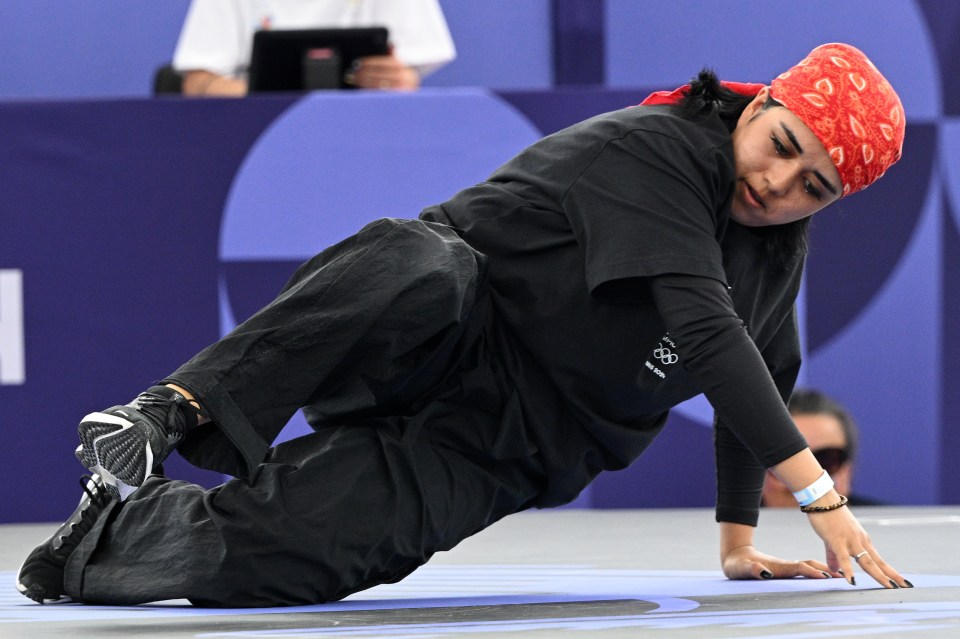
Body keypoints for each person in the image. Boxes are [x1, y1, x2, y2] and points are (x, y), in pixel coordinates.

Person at [17, 42, 912, 607]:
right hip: (436, 325)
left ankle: (97, 542)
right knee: (422, 260)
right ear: (758, 109)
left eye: (814, 188)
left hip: (503, 444)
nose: (779, 184)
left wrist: (738, 542)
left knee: (291, 554)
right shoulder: (664, 148)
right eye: (783, 147)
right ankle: (165, 413)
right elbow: (708, 333)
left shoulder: (777, 254)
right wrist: (821, 499)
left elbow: (758, 374)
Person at [171, 0, 456, 96]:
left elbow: (408, 77)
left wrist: (398, 80)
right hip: (254, 133)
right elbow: (197, 81)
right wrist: (271, 97)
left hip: (363, 133)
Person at [763, 388, 881, 507]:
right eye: (788, 460)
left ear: (847, 470)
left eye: (826, 459)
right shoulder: (744, 522)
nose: (808, 482)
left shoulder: (888, 520)